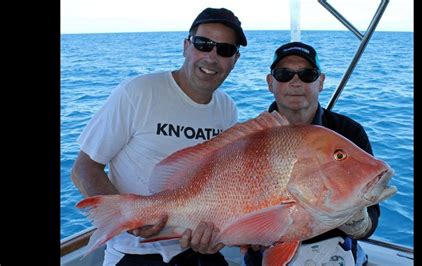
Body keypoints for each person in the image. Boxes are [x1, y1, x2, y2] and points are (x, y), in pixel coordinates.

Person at [71, 7, 247, 266]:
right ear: (186, 46)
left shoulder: (226, 108)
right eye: (203, 44)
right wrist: (127, 219)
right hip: (135, 255)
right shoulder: (139, 92)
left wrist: (218, 232)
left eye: (225, 50)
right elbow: (84, 168)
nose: (212, 57)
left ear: (235, 59)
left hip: (194, 250)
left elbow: (224, 184)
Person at [243, 42, 378, 266]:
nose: (295, 82)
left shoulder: (349, 133)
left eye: (307, 74)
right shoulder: (247, 140)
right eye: (284, 74)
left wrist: (358, 220)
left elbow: (371, 221)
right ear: (270, 82)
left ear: (321, 82)